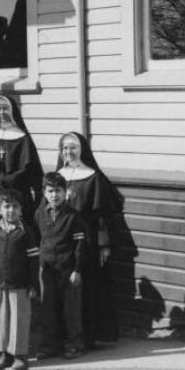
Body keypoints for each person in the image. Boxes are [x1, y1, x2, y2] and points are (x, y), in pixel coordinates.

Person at [56, 131, 123, 348]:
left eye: (73, 147)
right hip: (63, 240)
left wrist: (104, 244)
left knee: (88, 288)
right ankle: (67, 335)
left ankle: (88, 337)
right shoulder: (58, 177)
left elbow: (102, 215)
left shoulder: (92, 177)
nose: (69, 151)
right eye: (65, 148)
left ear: (82, 149)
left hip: (88, 241)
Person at [0, 188, 39, 370]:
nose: (10, 210)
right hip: (0, 284)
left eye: (14, 207)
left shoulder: (26, 232)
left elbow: (34, 261)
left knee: (19, 319)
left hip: (20, 284)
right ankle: (4, 354)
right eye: (6, 206)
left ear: (21, 210)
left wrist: (33, 284)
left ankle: (20, 355)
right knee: (3, 320)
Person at [35, 172, 86, 360]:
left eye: (58, 191)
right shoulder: (40, 213)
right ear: (44, 193)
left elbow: (80, 245)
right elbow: (38, 240)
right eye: (50, 191)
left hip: (68, 269)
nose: (54, 195)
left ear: (65, 192)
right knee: (48, 308)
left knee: (71, 310)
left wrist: (77, 270)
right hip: (47, 269)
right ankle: (49, 345)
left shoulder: (74, 216)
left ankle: (74, 344)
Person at [0, 95, 44, 210]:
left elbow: (29, 169)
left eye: (5, 108)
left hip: (16, 193)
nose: (1, 112)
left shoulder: (23, 139)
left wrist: (6, 180)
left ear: (12, 110)